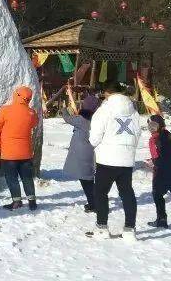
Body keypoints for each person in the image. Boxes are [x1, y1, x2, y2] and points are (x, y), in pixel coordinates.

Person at [86, 80, 140, 241]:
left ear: (107, 93)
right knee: (127, 193)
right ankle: (130, 229)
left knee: (101, 193)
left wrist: (93, 143)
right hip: (126, 158)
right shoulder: (133, 111)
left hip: (107, 158)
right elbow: (137, 134)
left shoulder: (104, 111)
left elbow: (95, 138)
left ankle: (102, 227)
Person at [0, 85, 39, 211]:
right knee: (27, 177)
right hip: (26, 153)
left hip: (9, 153)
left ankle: (16, 201)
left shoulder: (5, 110)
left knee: (12, 178)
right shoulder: (31, 113)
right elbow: (35, 123)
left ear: (16, 95)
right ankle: (32, 201)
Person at [60, 84, 96, 213]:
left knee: (87, 180)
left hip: (83, 154)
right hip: (92, 153)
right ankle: (94, 201)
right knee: (88, 179)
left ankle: (94, 204)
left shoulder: (82, 120)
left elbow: (67, 118)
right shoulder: (97, 119)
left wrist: (64, 109)